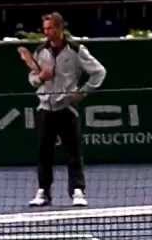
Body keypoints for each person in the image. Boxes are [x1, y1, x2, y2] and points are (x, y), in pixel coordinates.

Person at [20, 12, 105, 207]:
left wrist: (83, 92)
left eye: (50, 28)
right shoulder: (40, 51)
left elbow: (99, 72)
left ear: (60, 28)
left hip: (67, 108)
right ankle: (43, 192)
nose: (47, 32)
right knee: (44, 152)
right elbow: (32, 79)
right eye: (45, 29)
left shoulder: (76, 50)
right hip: (45, 108)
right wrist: (41, 77)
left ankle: (77, 191)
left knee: (74, 152)